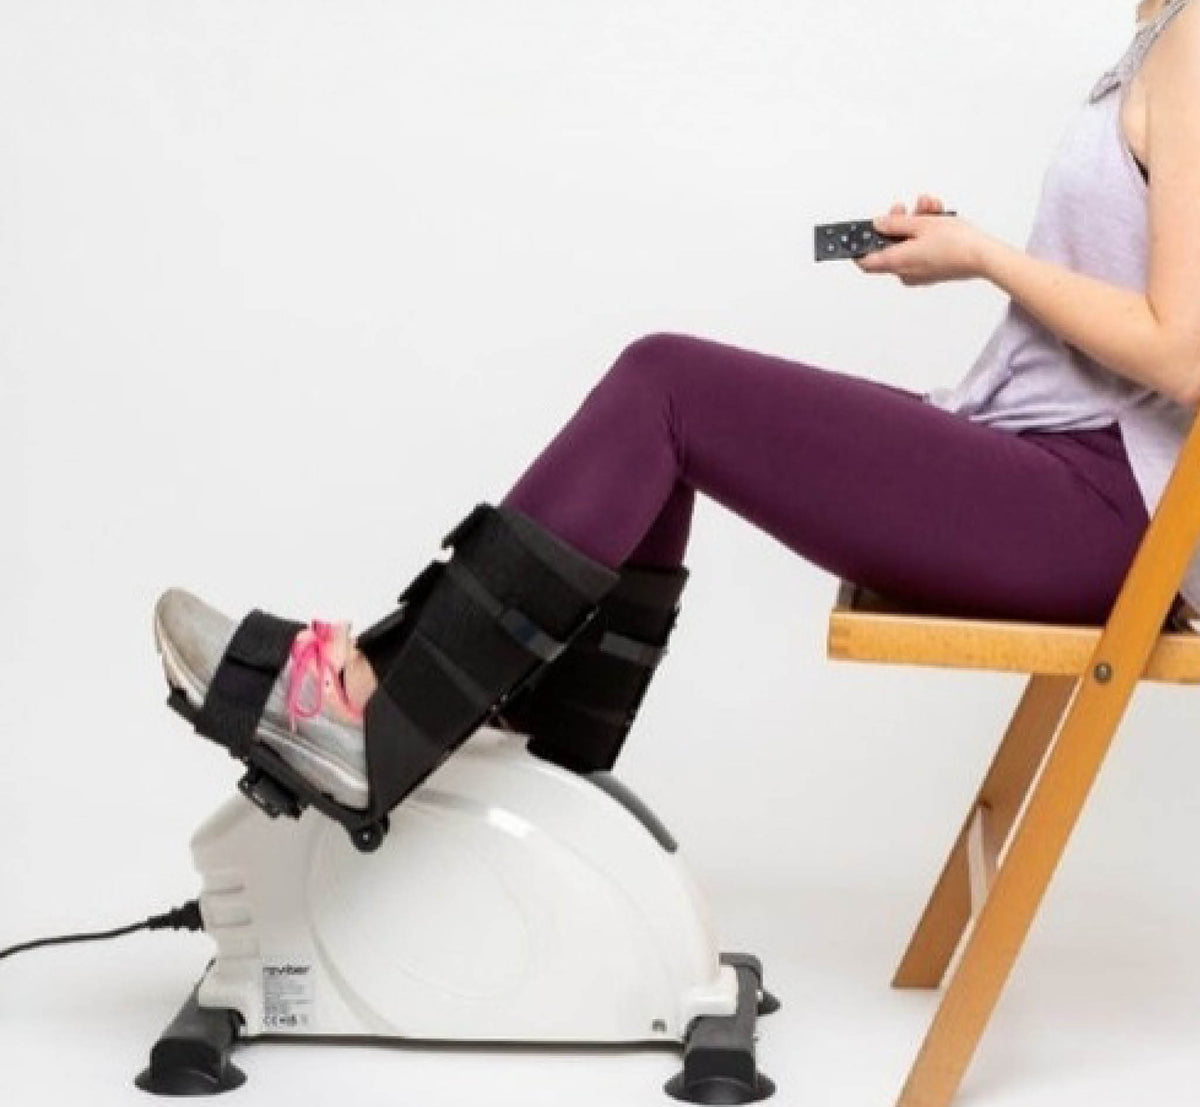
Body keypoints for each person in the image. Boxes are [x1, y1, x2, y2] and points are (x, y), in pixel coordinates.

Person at [154, 0, 1200, 824]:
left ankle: (381, 701)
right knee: (669, 417)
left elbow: (1181, 351)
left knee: (670, 387)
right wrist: (970, 249)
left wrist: (985, 258)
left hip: (1104, 510)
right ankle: (521, 749)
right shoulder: (1157, 25)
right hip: (1051, 458)